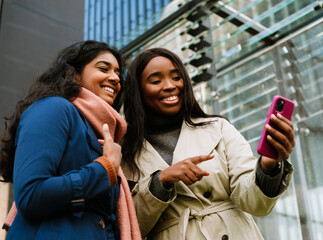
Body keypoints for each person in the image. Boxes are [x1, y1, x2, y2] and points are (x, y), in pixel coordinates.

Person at [120, 47, 295, 240]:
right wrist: (160, 181)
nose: (170, 86)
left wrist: (268, 167)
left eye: (177, 77)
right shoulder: (126, 152)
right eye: (155, 81)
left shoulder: (218, 127)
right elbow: (129, 227)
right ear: (138, 91)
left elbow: (254, 203)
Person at [0, 40, 141, 239]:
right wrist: (105, 168)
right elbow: (31, 194)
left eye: (118, 73)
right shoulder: (54, 108)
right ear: (73, 75)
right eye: (104, 68)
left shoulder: (100, 136)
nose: (115, 78)